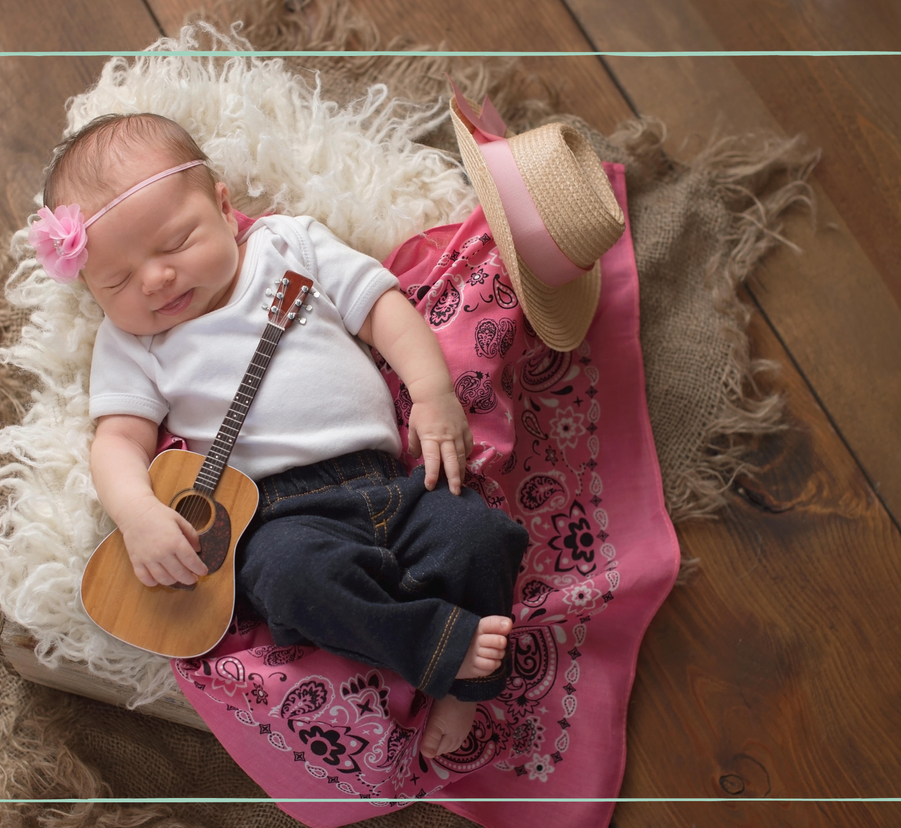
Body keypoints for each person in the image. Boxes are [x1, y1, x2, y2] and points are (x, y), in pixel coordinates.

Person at [31, 113, 529, 758]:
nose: (154, 280)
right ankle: (436, 645)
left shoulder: (289, 246)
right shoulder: (131, 342)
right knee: (292, 581)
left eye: (175, 242)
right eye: (117, 281)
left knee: (479, 533)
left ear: (221, 204)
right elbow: (118, 442)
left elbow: (383, 311)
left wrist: (433, 394)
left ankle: (462, 682)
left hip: (392, 482)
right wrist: (137, 515)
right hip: (277, 518)